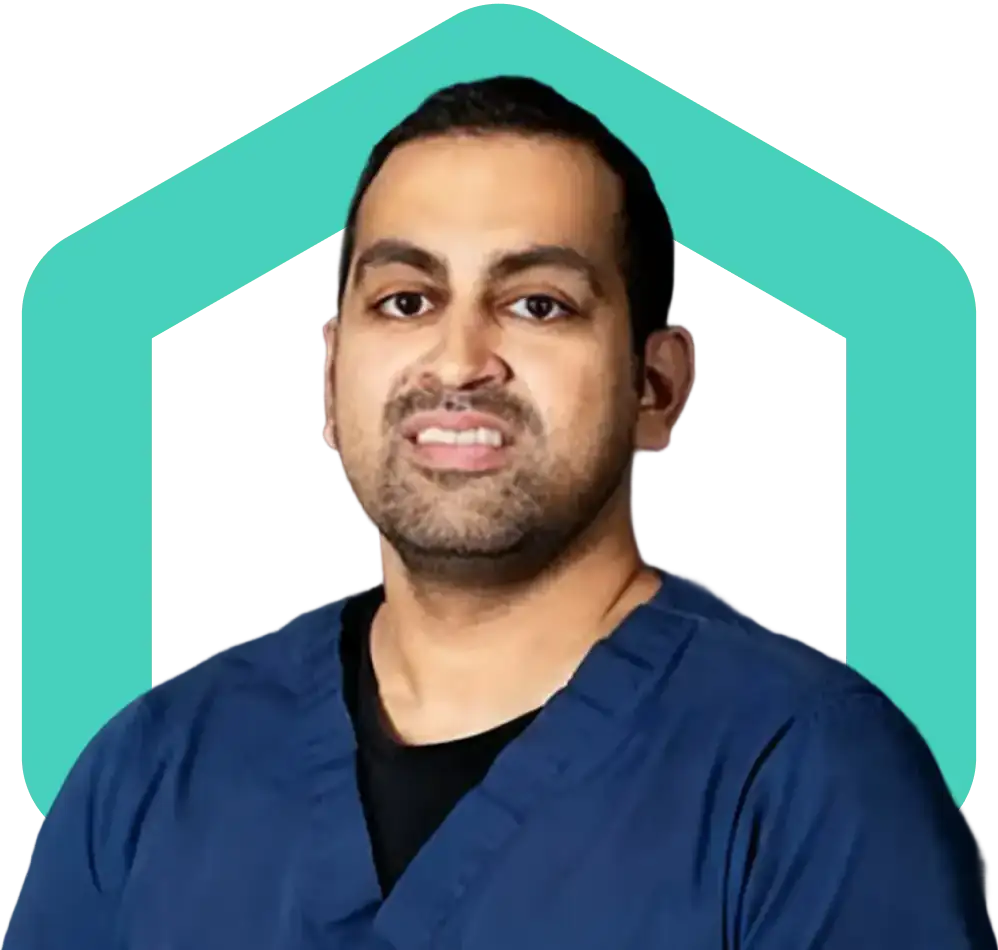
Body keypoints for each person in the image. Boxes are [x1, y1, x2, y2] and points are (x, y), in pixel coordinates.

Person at [6, 76, 992, 950]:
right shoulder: (149, 773)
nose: (458, 359)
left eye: (537, 304)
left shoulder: (808, 778)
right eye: (404, 301)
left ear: (656, 386)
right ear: (330, 376)